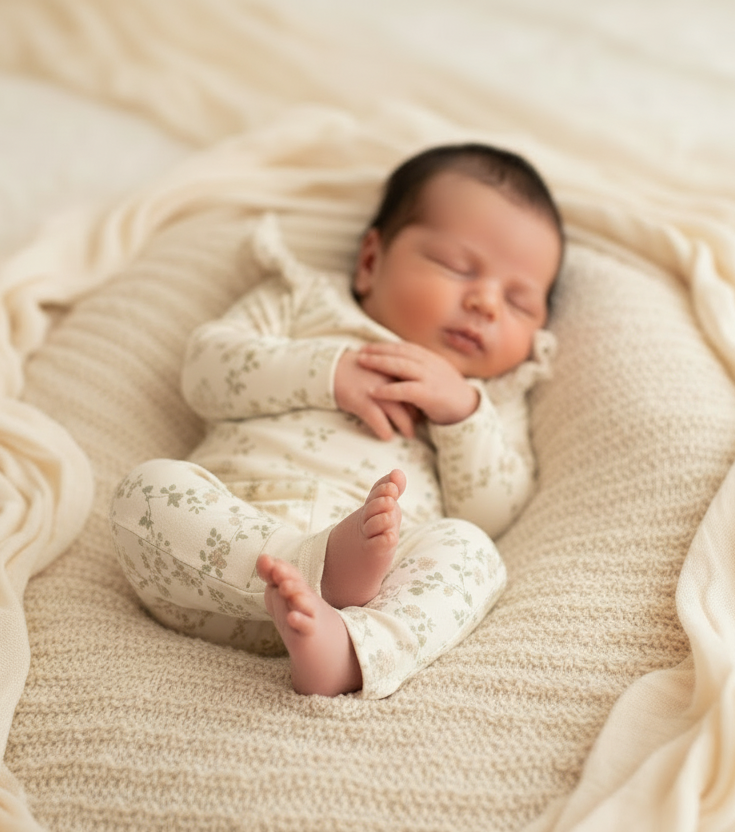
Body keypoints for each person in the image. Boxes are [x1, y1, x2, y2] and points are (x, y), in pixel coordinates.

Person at [110, 143, 564, 698]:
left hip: (373, 585)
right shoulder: (304, 304)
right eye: (456, 267)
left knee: (473, 551)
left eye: (520, 304)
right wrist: (329, 370)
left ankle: (351, 651)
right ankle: (316, 565)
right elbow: (206, 371)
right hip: (222, 568)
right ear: (371, 262)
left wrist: (461, 415)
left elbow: (495, 510)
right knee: (148, 491)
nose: (487, 304)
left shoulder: (490, 394)